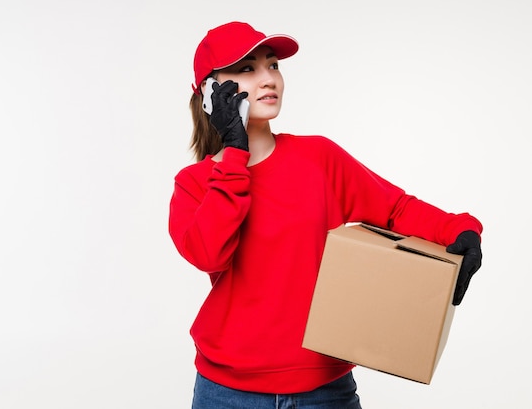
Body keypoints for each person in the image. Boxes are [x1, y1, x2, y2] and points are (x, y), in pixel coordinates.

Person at [168, 21, 483, 409]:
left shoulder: (318, 158)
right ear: (208, 95)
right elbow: (207, 255)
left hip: (325, 389)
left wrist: (461, 229)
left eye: (273, 66)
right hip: (227, 391)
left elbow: (395, 208)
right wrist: (234, 155)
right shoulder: (195, 183)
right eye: (247, 68)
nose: (269, 79)